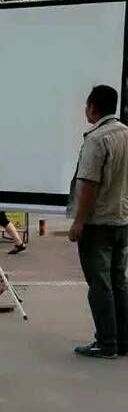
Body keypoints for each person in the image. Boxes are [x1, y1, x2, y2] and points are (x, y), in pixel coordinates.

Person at [69, 84, 128, 359]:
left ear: (92, 107)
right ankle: (123, 340)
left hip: (98, 223)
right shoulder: (126, 133)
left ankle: (106, 342)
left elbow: (89, 183)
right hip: (121, 220)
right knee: (119, 281)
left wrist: (78, 222)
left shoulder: (96, 139)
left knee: (100, 284)